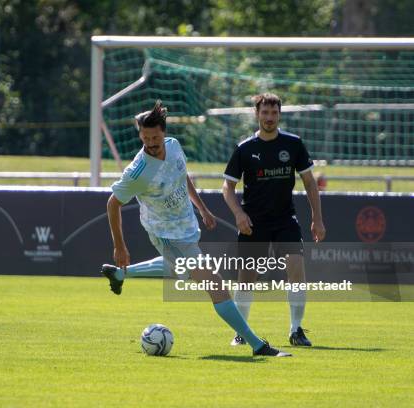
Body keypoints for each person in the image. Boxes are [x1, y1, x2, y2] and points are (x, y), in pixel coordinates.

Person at [101, 100, 291, 357]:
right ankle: (257, 345)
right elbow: (113, 204)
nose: (151, 143)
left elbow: (182, 174)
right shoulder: (138, 172)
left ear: (164, 133)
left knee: (177, 270)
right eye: (145, 138)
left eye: (155, 137)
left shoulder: (174, 146)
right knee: (216, 284)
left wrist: (202, 208)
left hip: (186, 228)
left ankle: (120, 275)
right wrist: (120, 246)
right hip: (165, 234)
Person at [222, 93, 326, 347]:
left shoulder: (293, 144)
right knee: (246, 277)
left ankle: (296, 330)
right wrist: (239, 214)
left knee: (296, 268)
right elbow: (227, 187)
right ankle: (242, 332)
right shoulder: (245, 149)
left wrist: (317, 219)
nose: (269, 118)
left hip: (284, 220)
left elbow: (310, 182)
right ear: (257, 114)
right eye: (265, 113)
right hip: (254, 221)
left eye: (274, 113)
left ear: (280, 114)